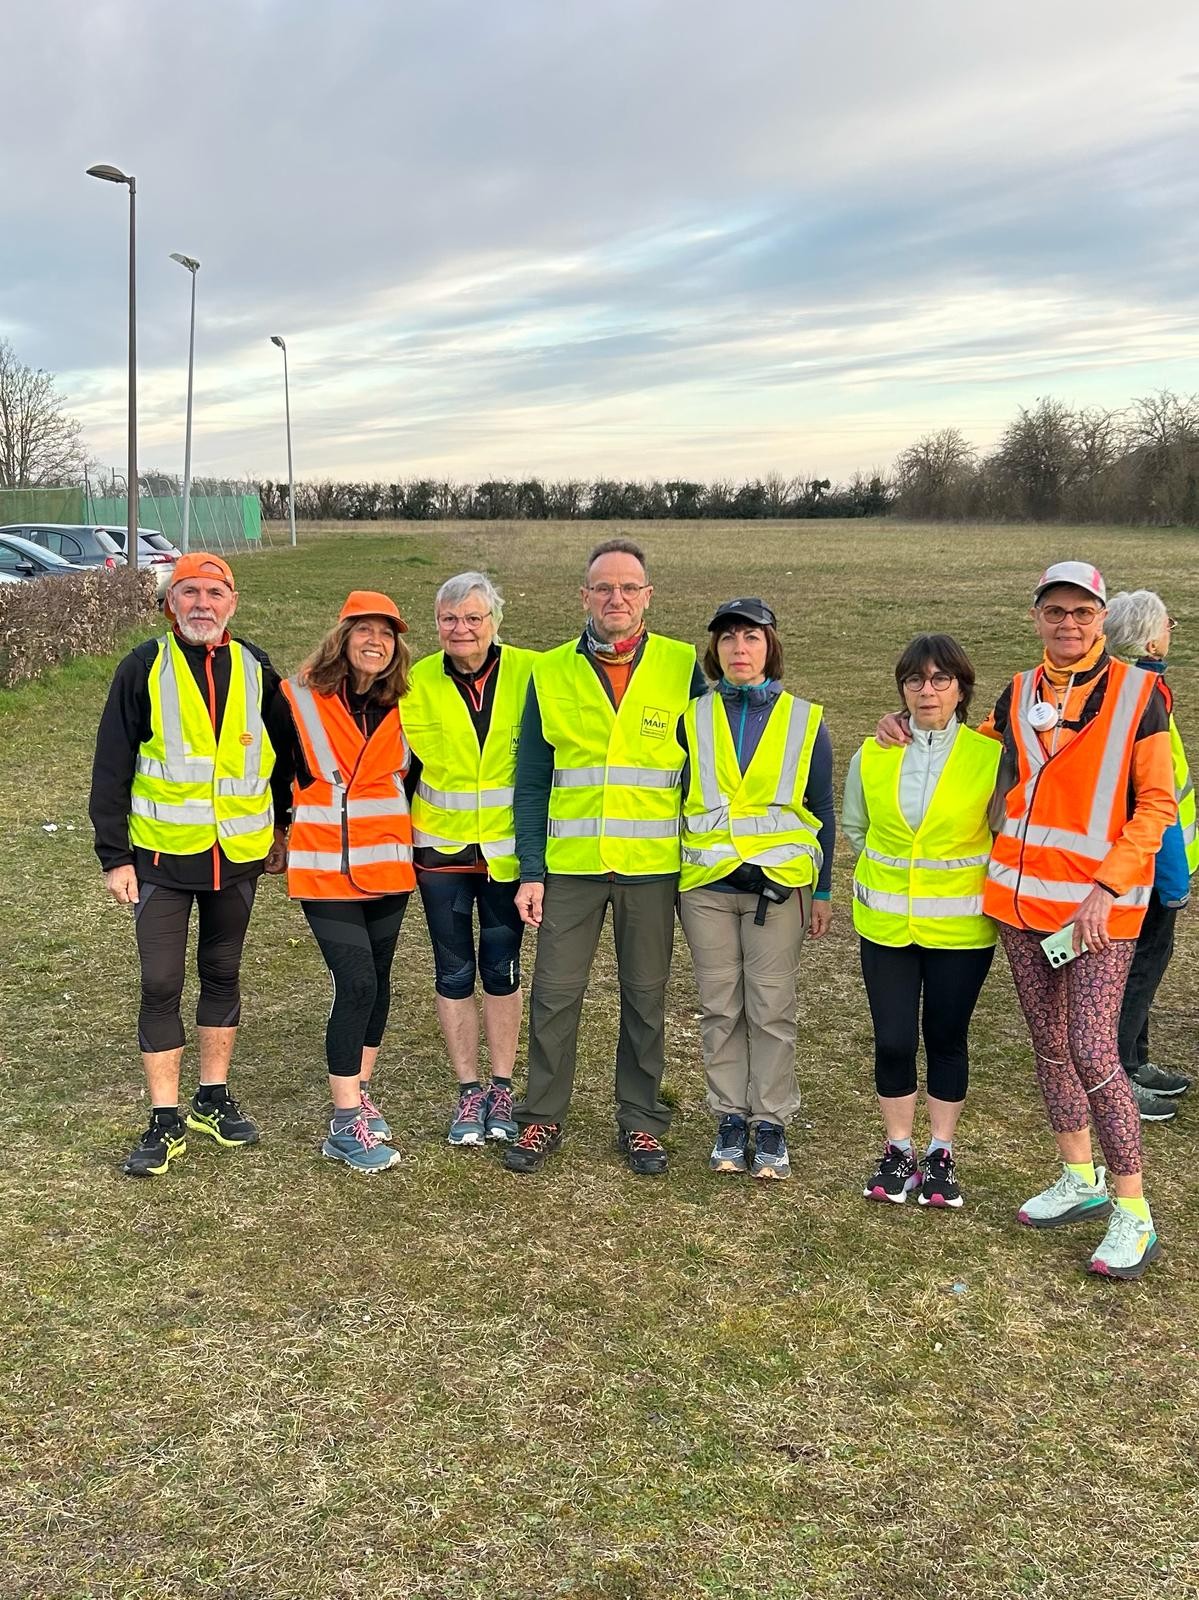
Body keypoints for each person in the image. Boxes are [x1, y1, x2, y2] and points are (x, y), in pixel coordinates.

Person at [982, 562, 1175, 1279]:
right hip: (1019, 904)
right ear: (1036, 616)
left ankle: (1134, 1213)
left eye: (1082, 613)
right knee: (1049, 1046)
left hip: (1097, 915)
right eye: (1054, 611)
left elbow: (1155, 805)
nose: (1068, 624)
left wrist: (1106, 885)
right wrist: (904, 729)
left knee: (1094, 1052)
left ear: (1101, 618)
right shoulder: (1015, 692)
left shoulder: (1140, 694)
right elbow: (981, 757)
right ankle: (1078, 1177)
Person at [504, 537, 706, 1175]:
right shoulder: (550, 670)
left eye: (628, 587)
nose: (615, 598)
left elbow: (729, 737)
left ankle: (642, 1119)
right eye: (603, 587)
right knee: (555, 994)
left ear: (648, 596)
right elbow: (533, 780)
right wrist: (531, 870)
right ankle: (540, 1117)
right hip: (571, 867)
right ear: (584, 595)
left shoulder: (682, 665)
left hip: (653, 868)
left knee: (645, 995)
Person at [90, 552, 288, 1178]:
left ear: (233, 601)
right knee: (161, 984)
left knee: (223, 973)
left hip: (236, 858)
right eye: (189, 593)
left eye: (214, 592)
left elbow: (289, 754)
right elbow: (112, 765)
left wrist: (281, 827)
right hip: (160, 860)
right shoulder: (143, 666)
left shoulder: (257, 667)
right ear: (169, 603)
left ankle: (213, 1097)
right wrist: (114, 856)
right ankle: (165, 1117)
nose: (202, 604)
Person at [677, 598, 834, 1181]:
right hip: (707, 887)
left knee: (770, 1007)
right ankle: (729, 1116)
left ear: (770, 647)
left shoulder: (804, 719)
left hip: (779, 891)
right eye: (728, 640)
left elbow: (822, 808)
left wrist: (821, 892)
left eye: (751, 638)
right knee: (719, 1004)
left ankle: (770, 1121)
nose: (739, 649)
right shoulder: (690, 716)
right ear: (714, 652)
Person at [843, 635, 1000, 1209]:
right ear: (901, 689)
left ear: (960, 688)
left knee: (945, 1038)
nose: (926, 690)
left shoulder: (991, 757)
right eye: (914, 680)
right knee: (893, 1040)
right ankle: (897, 1148)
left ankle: (940, 1153)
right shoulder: (873, 752)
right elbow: (857, 827)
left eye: (939, 679)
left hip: (961, 931)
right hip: (885, 926)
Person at [275, 591, 414, 1174]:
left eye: (386, 634)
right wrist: (275, 834)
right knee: (355, 981)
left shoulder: (410, 701)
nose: (375, 642)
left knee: (378, 982)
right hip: (323, 865)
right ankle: (342, 1123)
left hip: (388, 864)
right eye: (365, 631)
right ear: (343, 636)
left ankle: (359, 1094)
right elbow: (274, 770)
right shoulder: (298, 696)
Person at [402, 572, 538, 1147]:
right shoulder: (412, 680)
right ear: (437, 624)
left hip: (508, 856)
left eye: (473, 618)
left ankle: (502, 1085)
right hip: (441, 851)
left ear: (495, 623)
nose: (461, 629)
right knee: (453, 970)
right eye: (450, 619)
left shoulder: (534, 672)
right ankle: (468, 1091)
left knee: (501, 969)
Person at [1104, 589, 1193, 1113]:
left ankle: (1134, 1060)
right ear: (1153, 636)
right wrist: (1174, 882)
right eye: (1170, 625)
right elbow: (1156, 798)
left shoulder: (1138, 688)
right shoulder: (1143, 694)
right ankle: (1118, 1074)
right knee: (1137, 965)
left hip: (1148, 860)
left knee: (1144, 963)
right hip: (1148, 863)